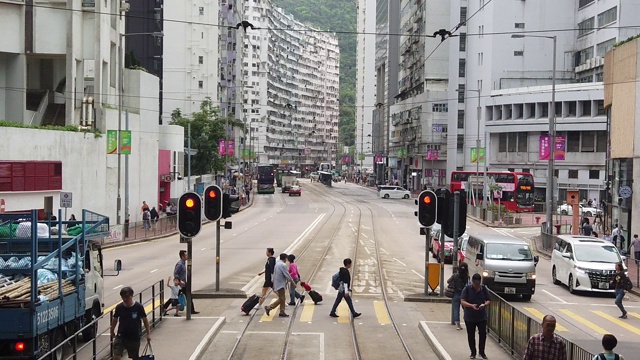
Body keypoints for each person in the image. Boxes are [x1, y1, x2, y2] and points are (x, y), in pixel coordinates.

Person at [110, 287, 151, 360]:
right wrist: (112, 330)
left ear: (131, 295)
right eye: (123, 297)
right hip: (121, 335)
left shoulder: (138, 307)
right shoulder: (119, 307)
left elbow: (145, 320)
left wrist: (148, 334)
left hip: (134, 336)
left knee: (134, 357)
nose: (125, 299)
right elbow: (115, 319)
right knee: (116, 356)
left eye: (127, 297)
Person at [460, 273, 490, 359]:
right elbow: (462, 301)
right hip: (469, 316)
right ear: (472, 282)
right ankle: (473, 352)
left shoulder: (483, 289)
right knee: (471, 335)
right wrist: (471, 305)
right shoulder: (467, 289)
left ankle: (482, 352)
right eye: (475, 284)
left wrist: (484, 305)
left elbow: (488, 300)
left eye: (478, 284)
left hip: (481, 316)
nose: (477, 286)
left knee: (483, 334)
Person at [264, 253, 295, 317]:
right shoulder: (283, 265)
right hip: (280, 284)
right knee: (282, 299)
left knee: (282, 298)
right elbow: (287, 275)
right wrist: (293, 282)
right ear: (285, 258)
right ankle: (269, 307)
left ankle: (282, 312)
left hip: (277, 283)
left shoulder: (277, 264)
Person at [447, 262, 470, 330]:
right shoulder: (467, 277)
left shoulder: (455, 275)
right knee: (466, 309)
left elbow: (448, 281)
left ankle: (458, 325)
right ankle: (468, 322)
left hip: (456, 294)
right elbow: (468, 285)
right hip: (464, 296)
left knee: (456, 309)